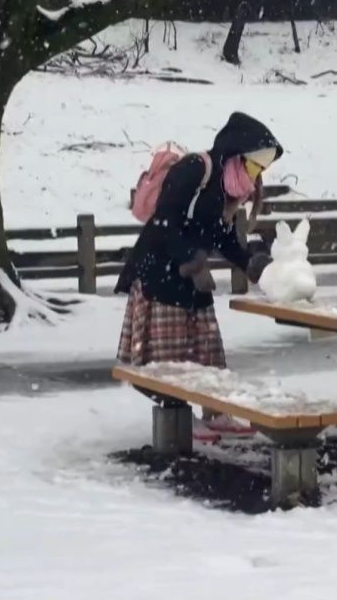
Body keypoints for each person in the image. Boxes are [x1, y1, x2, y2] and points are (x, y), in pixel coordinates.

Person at [116, 112, 280, 440]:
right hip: (161, 274)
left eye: (261, 169)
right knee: (169, 358)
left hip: (194, 279)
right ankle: (177, 413)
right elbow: (166, 221)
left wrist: (249, 263)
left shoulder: (229, 188)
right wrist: (191, 260)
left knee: (207, 348)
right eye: (253, 165)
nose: (256, 175)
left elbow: (220, 235)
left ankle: (216, 410)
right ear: (237, 155)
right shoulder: (195, 169)